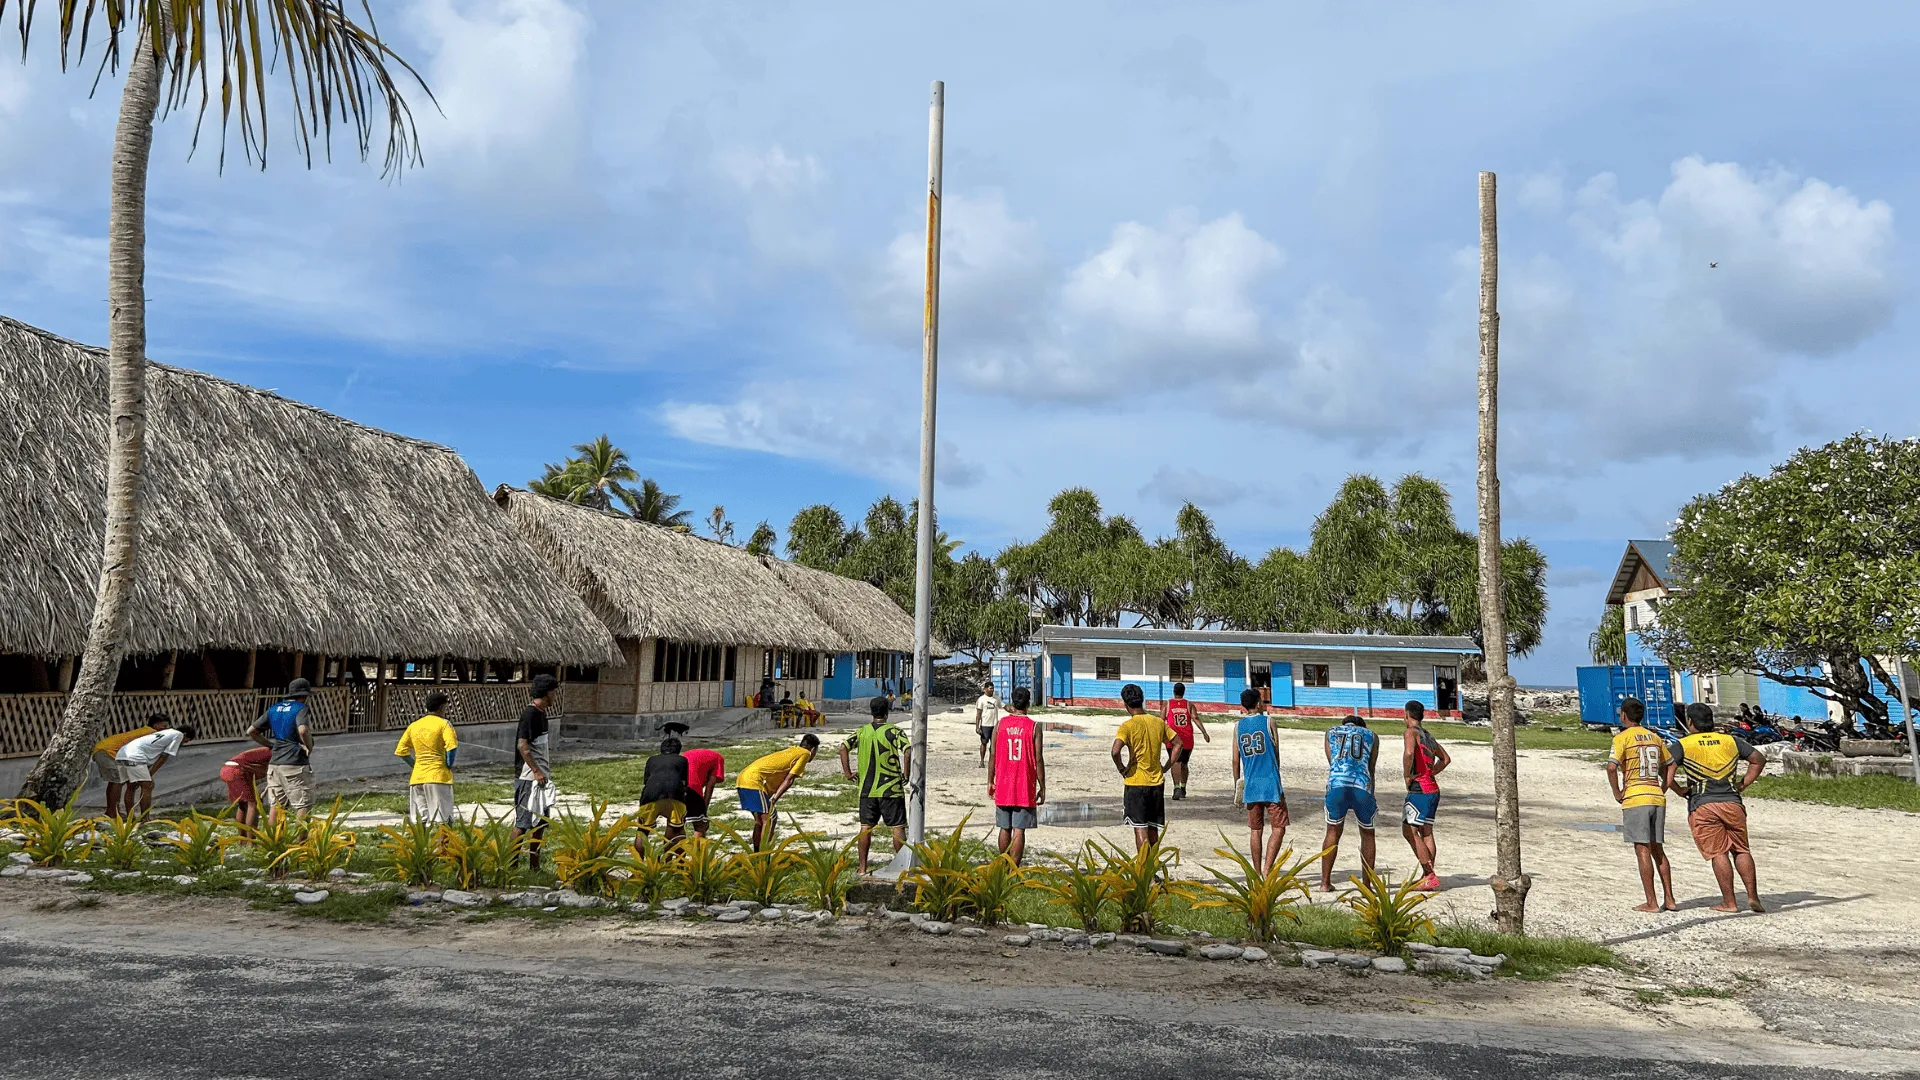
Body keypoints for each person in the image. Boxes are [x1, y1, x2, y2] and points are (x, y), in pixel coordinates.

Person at [1675, 702, 1768, 913]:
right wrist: (1743, 784)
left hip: (1704, 805)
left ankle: (1730, 902)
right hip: (1732, 802)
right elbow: (1758, 760)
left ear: (1690, 722)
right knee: (1741, 849)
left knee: (1719, 853)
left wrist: (1678, 790)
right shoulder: (1731, 741)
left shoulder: (1685, 743)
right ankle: (1753, 897)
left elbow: (1667, 766)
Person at [1608, 696, 1678, 913]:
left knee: (1642, 850)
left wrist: (1617, 791)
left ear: (1623, 715)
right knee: (1658, 849)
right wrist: (1663, 786)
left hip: (1636, 798)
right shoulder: (1654, 737)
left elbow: (1612, 767)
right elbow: (1671, 763)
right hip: (1656, 796)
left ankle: (1651, 901)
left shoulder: (1622, 738)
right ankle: (1670, 898)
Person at [840, 697, 910, 873]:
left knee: (865, 827)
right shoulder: (894, 731)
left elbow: (843, 747)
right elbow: (907, 751)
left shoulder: (862, 732)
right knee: (897, 827)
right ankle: (901, 867)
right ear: (887, 712)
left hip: (866, 787)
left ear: (871, 712)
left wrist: (848, 773)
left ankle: (862, 868)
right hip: (891, 788)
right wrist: (906, 774)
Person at [1319, 715, 1379, 892]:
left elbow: (1333, 762)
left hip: (1337, 784)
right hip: (1361, 785)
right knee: (1367, 835)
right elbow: (1371, 767)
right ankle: (1366, 885)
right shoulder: (1372, 735)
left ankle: (1325, 882)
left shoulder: (1330, 732)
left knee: (1332, 831)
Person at [1111, 683, 1174, 851]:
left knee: (1140, 828)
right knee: (1153, 828)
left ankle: (1143, 872)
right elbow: (1178, 744)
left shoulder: (1127, 726)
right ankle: (1153, 871)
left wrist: (1121, 768)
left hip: (1136, 782)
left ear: (1125, 704)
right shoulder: (1158, 723)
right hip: (1156, 782)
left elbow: (1115, 751)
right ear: (1142, 700)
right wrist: (1167, 766)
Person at [1231, 688, 1287, 875]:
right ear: (1257, 704)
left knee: (1256, 830)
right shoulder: (1269, 721)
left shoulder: (1238, 727)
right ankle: (1267, 869)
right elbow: (1276, 752)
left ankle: (1256, 872)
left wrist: (1236, 784)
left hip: (1251, 784)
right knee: (1279, 827)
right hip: (1271, 783)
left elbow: (1235, 759)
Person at [988, 687, 1044, 865]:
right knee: (1019, 830)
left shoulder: (1000, 725)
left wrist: (990, 780)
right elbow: (1039, 759)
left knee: (1004, 828)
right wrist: (1042, 786)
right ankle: (1014, 868)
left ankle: (1003, 865)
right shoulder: (1034, 727)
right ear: (1028, 703)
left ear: (1012, 701)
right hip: (1024, 783)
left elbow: (993, 754)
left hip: (1003, 781)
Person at [1400, 700, 1451, 892]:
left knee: (1409, 831)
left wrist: (1408, 776)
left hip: (1419, 789)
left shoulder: (1411, 732)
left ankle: (1429, 874)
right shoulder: (1428, 736)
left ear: (1406, 714)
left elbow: (1409, 753)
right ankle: (1428, 876)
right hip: (1433, 789)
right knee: (1426, 832)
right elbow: (1445, 759)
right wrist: (1431, 772)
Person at [249, 678, 315, 823]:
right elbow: (303, 730)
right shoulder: (301, 708)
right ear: (304, 696)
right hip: (295, 762)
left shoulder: (274, 708)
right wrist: (308, 747)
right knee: (303, 804)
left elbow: (252, 731)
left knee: (277, 805)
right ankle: (301, 843)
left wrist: (270, 745)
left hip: (275, 763)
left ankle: (275, 842)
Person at [737, 734, 819, 851]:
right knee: (770, 817)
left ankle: (756, 854)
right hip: (754, 781)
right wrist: (775, 798)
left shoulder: (792, 750)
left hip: (743, 778)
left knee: (759, 820)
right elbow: (789, 779)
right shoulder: (805, 754)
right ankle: (764, 856)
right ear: (813, 749)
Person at [513, 674, 560, 871]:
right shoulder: (530, 714)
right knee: (523, 823)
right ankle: (510, 865)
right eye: (554, 692)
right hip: (529, 777)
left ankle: (534, 866)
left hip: (541, 777)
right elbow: (522, 745)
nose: (555, 696)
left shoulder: (542, 714)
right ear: (547, 693)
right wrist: (536, 770)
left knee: (540, 824)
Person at [394, 690, 460, 825]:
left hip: (417, 777)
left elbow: (401, 751)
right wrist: (448, 764)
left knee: (422, 820)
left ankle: (421, 845)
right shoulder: (444, 724)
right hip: (438, 776)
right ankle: (443, 846)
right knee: (444, 819)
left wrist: (415, 765)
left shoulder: (414, 725)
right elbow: (451, 747)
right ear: (442, 708)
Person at [115, 720, 197, 818]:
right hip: (135, 756)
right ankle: (145, 818)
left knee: (131, 786)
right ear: (185, 734)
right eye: (186, 740)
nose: (184, 743)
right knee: (147, 786)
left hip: (122, 754)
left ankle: (130, 818)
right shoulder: (178, 735)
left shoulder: (164, 732)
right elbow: (164, 757)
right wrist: (150, 774)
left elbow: (150, 751)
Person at [92, 715, 168, 817]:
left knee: (115, 782)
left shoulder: (146, 731)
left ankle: (112, 811)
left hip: (104, 749)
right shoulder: (152, 734)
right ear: (156, 725)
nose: (166, 729)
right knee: (118, 781)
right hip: (108, 752)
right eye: (164, 727)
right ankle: (113, 813)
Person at [670, 724, 725, 838]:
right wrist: (704, 812)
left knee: (678, 823)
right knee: (700, 825)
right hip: (693, 788)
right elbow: (709, 787)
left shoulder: (690, 754)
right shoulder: (718, 759)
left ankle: (674, 853)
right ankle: (697, 853)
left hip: (676, 785)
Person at [637, 736, 691, 849]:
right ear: (678, 750)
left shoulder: (651, 760)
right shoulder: (682, 760)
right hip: (674, 794)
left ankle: (639, 864)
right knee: (677, 829)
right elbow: (684, 782)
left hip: (651, 794)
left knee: (642, 830)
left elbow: (646, 781)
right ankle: (671, 861)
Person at [1162, 682, 1211, 800]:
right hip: (1187, 738)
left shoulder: (1167, 704)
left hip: (1173, 738)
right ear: (1183, 692)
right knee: (1183, 763)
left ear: (1173, 691)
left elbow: (1161, 720)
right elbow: (1195, 718)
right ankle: (1183, 787)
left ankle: (1176, 788)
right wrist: (1204, 732)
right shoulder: (1189, 705)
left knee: (1175, 762)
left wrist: (1160, 736)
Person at [220, 745, 272, 834]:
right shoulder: (277, 752)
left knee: (243, 804)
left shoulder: (271, 751)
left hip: (227, 770)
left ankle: (243, 840)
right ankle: (250, 842)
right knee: (253, 804)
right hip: (236, 771)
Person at [974, 681, 1003, 769]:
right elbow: (978, 714)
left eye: (993, 688)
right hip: (985, 725)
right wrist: (977, 727)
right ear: (985, 689)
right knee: (984, 743)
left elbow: (1004, 706)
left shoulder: (996, 699)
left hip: (994, 725)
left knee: (994, 745)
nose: (992, 690)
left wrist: (1014, 710)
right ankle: (982, 761)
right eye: (990, 688)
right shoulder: (981, 699)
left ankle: (992, 761)